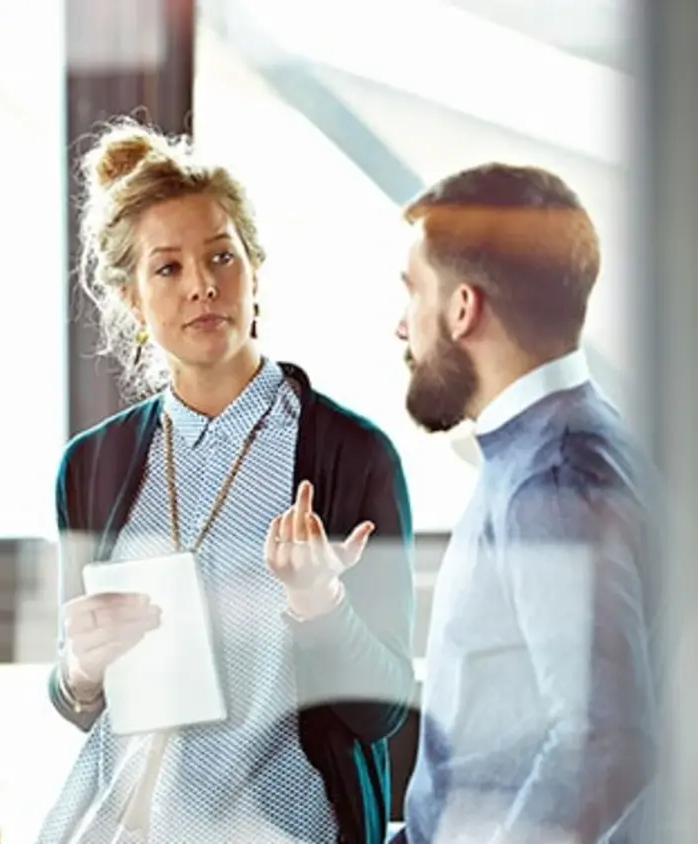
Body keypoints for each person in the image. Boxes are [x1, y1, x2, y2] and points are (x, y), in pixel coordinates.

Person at [38, 119, 416, 844]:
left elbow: (382, 711)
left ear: (254, 271)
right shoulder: (92, 466)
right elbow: (78, 697)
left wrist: (319, 601)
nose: (203, 286)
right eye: (168, 268)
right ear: (129, 299)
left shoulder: (350, 455)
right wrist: (80, 667)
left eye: (221, 256)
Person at [390, 164, 658, 843]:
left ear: (462, 308)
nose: (401, 327)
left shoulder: (555, 478)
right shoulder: (557, 445)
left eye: (413, 292)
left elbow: (603, 744)